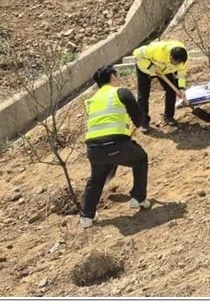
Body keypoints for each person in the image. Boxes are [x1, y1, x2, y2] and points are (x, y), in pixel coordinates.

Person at [79, 65, 150, 228]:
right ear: (112, 77)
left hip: (93, 148)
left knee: (96, 178)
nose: (119, 79)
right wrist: (138, 122)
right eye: (117, 76)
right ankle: (138, 198)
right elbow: (139, 118)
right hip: (116, 144)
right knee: (140, 159)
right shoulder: (120, 92)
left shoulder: (90, 101)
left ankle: (86, 216)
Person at [132, 39, 188, 130]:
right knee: (143, 95)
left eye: (177, 64)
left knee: (171, 91)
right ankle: (144, 121)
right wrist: (150, 66)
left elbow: (181, 73)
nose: (175, 64)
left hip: (165, 71)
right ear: (170, 56)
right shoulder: (157, 49)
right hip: (144, 69)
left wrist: (181, 88)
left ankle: (169, 116)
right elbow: (136, 53)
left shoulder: (183, 58)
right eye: (173, 62)